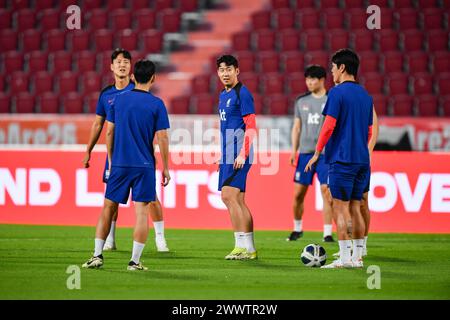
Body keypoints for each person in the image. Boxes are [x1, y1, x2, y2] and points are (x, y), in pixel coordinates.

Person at [82, 60, 171, 271]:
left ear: (133, 77)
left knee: (108, 208)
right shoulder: (157, 104)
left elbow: (109, 132)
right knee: (141, 212)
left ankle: (96, 255)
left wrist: (112, 161)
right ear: (153, 78)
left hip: (120, 164)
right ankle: (134, 261)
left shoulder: (117, 101)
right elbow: (163, 138)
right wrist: (165, 167)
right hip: (144, 165)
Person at [305, 49, 373, 269]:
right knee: (356, 207)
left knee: (340, 208)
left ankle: (344, 259)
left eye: (333, 67)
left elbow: (329, 125)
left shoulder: (336, 93)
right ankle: (357, 257)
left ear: (342, 68)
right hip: (362, 160)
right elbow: (370, 130)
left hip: (342, 159)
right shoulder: (366, 95)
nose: (332, 72)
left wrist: (317, 152)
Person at [216, 55, 258, 260]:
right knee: (239, 200)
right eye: (222, 70)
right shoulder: (223, 95)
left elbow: (251, 126)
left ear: (237, 71)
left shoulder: (243, 93)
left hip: (239, 153)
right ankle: (249, 249)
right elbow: (226, 127)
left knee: (228, 196)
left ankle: (240, 246)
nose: (225, 73)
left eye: (229, 69)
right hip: (228, 153)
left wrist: (243, 153)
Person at [287, 65, 334, 243]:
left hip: (325, 154)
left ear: (322, 80)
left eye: (313, 79)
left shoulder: (331, 100)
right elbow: (297, 127)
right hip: (305, 153)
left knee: (326, 192)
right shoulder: (301, 101)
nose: (309, 82)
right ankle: (297, 228)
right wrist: (294, 150)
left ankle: (327, 233)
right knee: (298, 194)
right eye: (307, 79)